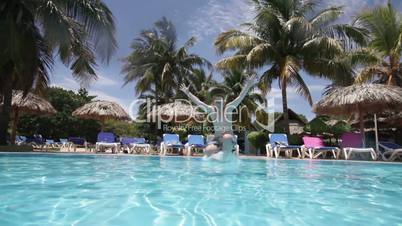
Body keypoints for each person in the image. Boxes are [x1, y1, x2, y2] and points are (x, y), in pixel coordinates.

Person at [180, 74, 258, 159]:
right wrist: (188, 93)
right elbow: (199, 102)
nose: (219, 104)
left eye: (220, 102)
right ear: (213, 104)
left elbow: (240, 97)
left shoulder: (229, 109)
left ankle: (227, 156)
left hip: (229, 138)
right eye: (217, 102)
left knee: (226, 137)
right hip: (217, 139)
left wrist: (248, 85)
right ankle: (216, 161)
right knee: (208, 151)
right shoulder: (211, 111)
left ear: (223, 103)